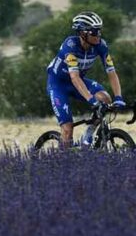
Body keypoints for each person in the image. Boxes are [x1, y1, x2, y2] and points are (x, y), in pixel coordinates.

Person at [47, 11, 126, 145]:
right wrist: (91, 100)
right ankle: (63, 163)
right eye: (94, 32)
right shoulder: (70, 45)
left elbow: (111, 73)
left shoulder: (101, 46)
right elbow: (75, 77)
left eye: (99, 31)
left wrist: (119, 98)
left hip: (78, 82)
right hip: (58, 84)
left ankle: (88, 133)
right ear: (83, 33)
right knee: (67, 129)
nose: (98, 35)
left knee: (105, 99)